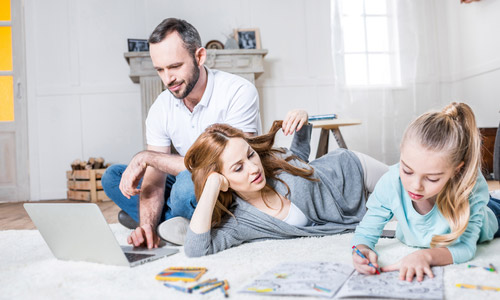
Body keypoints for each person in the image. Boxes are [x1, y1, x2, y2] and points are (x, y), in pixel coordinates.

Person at [102, 18, 261, 249]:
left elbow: (229, 166)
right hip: (189, 183)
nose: (168, 79)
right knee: (113, 177)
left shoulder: (238, 91)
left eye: (175, 67)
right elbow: (155, 178)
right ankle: (164, 226)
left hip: (227, 187)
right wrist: (147, 225)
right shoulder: (160, 107)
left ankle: (179, 223)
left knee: (185, 185)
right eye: (160, 70)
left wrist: (147, 157)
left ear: (200, 57)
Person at [182, 109, 389, 257]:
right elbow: (196, 250)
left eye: (251, 155)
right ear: (223, 181)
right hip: (361, 211)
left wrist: (302, 120)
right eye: (238, 168)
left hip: (354, 171)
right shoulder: (240, 223)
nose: (254, 168)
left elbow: (298, 159)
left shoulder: (273, 164)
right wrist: (211, 185)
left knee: (414, 195)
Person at [351, 102, 500, 282]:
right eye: (407, 170)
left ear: (456, 171)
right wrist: (362, 249)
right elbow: (365, 233)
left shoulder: (470, 187)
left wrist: (425, 256)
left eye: (432, 178)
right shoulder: (391, 182)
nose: (415, 186)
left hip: (490, 214)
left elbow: (466, 247)